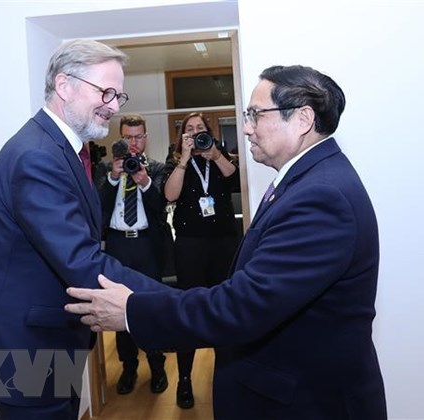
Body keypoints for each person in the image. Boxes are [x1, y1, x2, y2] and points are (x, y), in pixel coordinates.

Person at [65, 65, 388, 419]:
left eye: (255, 114)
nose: (246, 127)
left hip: (306, 402)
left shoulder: (321, 196)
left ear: (303, 119)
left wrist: (131, 311)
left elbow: (241, 307)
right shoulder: (308, 181)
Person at [0, 39, 169, 419]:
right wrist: (178, 304)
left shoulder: (58, 149)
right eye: (106, 92)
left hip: (47, 341)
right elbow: (82, 262)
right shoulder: (38, 156)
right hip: (23, 351)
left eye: (119, 94)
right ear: (64, 85)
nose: (116, 106)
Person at [162, 112, 240, 409]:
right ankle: (184, 379)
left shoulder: (222, 158)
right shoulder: (175, 162)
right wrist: (184, 158)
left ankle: (225, 375)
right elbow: (170, 195)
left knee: (224, 308)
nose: (196, 133)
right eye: (190, 129)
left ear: (210, 131)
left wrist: (216, 154)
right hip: (190, 245)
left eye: (201, 129)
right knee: (189, 309)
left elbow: (235, 181)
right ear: (182, 135)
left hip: (223, 243)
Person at [97, 114, 170, 395]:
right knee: (117, 308)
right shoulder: (106, 168)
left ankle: (157, 365)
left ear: (146, 137)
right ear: (120, 138)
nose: (134, 143)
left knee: (151, 307)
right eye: (128, 137)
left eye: (139, 136)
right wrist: (115, 177)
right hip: (117, 246)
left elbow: (161, 205)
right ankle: (128, 368)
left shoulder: (156, 168)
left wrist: (143, 180)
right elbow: (97, 206)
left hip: (147, 246)